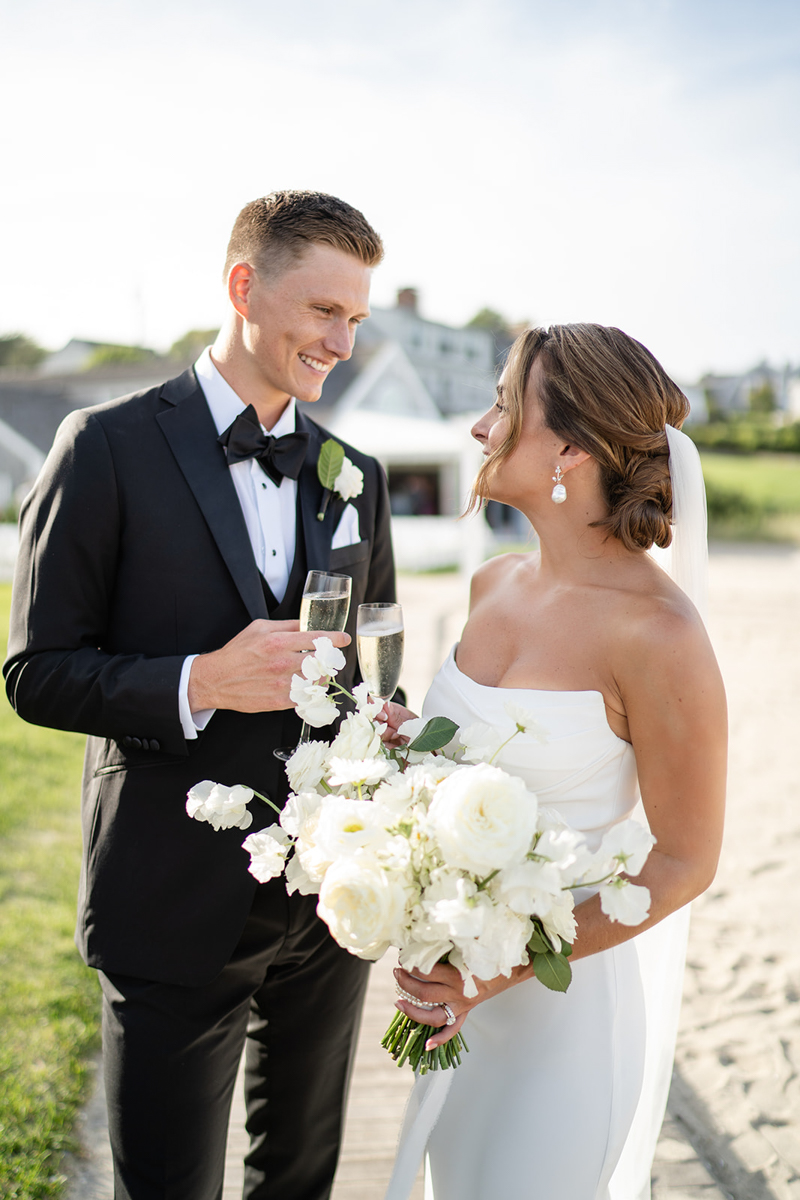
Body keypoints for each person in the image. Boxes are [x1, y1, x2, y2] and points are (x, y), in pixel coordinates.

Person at [4, 191, 399, 1200]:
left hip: (324, 899)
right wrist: (201, 682)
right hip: (169, 899)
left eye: (355, 319)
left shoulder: (354, 473)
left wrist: (378, 727)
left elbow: (369, 654)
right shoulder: (106, 447)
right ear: (242, 288)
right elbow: (37, 672)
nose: (341, 342)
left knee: (299, 1178)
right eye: (323, 312)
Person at [380, 324, 727, 1200]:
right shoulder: (491, 584)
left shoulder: (661, 635)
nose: (479, 428)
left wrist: (494, 973)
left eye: (502, 405)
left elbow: (685, 862)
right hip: (453, 1002)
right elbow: (459, 767)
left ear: (569, 447)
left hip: (560, 1015)